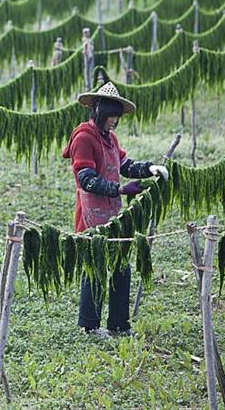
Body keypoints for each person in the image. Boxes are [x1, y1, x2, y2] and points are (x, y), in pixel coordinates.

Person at [62, 82, 169, 337]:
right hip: (91, 216)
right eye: (110, 115)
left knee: (121, 266)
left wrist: (149, 169)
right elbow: (86, 179)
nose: (114, 121)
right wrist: (121, 190)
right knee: (95, 266)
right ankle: (89, 326)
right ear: (97, 109)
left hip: (112, 213)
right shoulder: (84, 137)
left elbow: (124, 165)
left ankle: (119, 325)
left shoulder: (110, 137)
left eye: (117, 116)